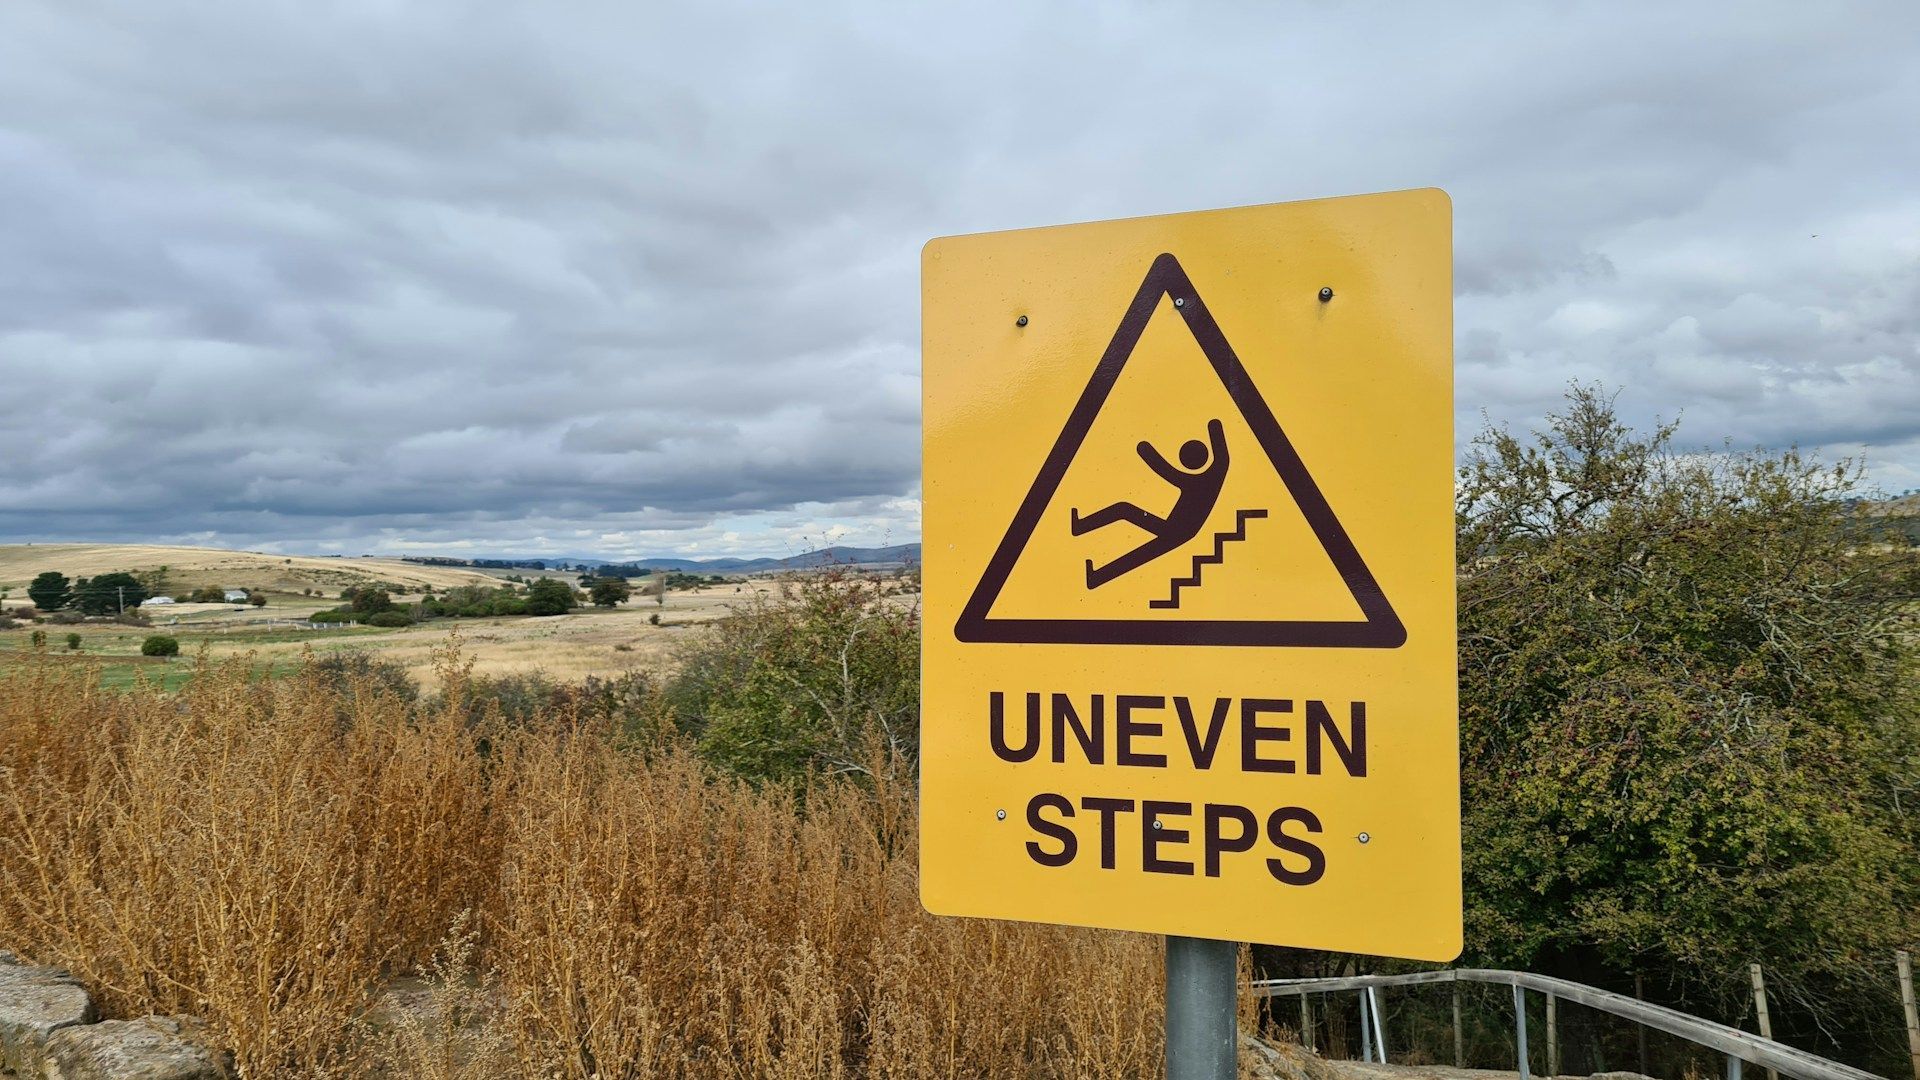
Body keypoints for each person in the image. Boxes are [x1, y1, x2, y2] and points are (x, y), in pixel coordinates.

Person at [1072, 418, 1228, 589]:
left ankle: (1082, 531)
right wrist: (1214, 428)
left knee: (1124, 512)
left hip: (1174, 530)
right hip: (1178, 530)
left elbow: (1168, 472)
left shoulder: (1201, 482)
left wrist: (1145, 451)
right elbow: (1222, 460)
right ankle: (1095, 576)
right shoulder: (1213, 476)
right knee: (1139, 549)